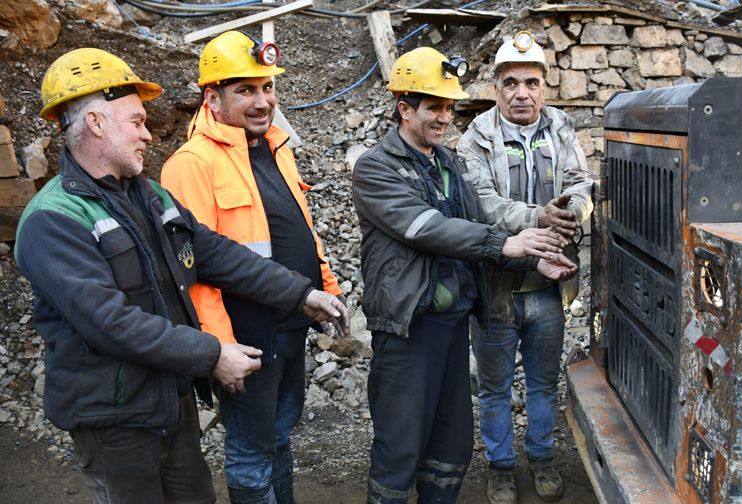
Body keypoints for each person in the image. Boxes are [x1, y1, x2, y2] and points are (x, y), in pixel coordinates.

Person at [14, 48, 347, 504]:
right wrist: (212, 354)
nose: (149, 135)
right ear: (95, 123)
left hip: (170, 398)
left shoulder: (147, 195)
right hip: (114, 417)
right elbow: (110, 321)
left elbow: (215, 254)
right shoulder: (54, 220)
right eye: (137, 122)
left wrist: (301, 295)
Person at [352, 47, 578, 504]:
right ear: (404, 109)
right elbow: (425, 229)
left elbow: (481, 233)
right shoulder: (376, 168)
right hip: (408, 331)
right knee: (400, 447)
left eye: (449, 107)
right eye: (434, 107)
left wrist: (532, 261)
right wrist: (505, 243)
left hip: (452, 326)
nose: (444, 118)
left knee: (450, 446)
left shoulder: (447, 164)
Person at [160, 30, 347, 504]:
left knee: (278, 434)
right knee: (249, 450)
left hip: (291, 323)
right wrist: (219, 348)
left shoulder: (273, 146)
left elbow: (301, 227)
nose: (262, 101)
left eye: (267, 87)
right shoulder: (192, 164)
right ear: (213, 97)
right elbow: (192, 270)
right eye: (245, 90)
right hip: (246, 336)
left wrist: (326, 286)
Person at [456, 31, 594, 504]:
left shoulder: (561, 130)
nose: (522, 92)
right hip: (496, 287)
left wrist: (573, 213)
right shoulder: (476, 138)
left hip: (547, 286)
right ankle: (499, 466)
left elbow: (580, 184)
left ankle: (541, 459)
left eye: (531, 82)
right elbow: (482, 205)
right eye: (511, 82)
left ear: (544, 86)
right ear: (495, 87)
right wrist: (537, 217)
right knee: (494, 388)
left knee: (543, 382)